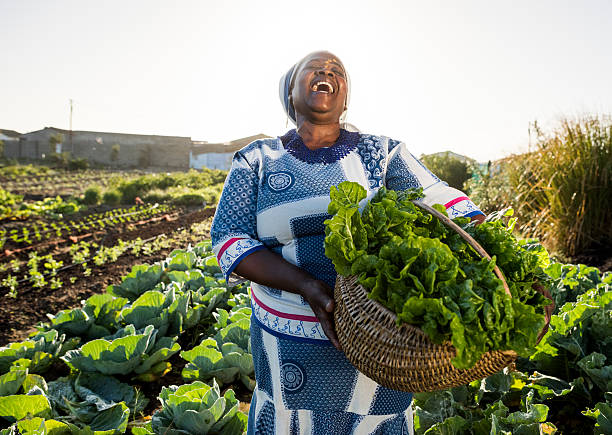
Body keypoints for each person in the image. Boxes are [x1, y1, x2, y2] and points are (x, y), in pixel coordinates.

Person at [211, 51, 486, 435]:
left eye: (336, 71)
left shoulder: (381, 152)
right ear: (290, 92)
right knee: (291, 421)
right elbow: (229, 239)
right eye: (315, 69)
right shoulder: (257, 158)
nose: (326, 73)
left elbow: (437, 196)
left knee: (375, 418)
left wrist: (485, 237)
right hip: (287, 339)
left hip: (376, 335)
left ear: (344, 99)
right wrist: (306, 285)